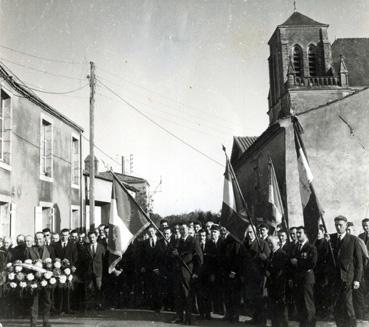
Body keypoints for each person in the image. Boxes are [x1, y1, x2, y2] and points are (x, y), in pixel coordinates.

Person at [329, 215, 363, 327]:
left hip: (348, 279)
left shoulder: (353, 240)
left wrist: (357, 279)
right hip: (335, 280)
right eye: (336, 225)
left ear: (346, 225)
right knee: (337, 307)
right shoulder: (331, 239)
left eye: (341, 225)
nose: (338, 227)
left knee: (348, 307)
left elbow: (359, 263)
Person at [172, 223, 203, 325]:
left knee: (187, 296)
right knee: (178, 296)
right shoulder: (177, 242)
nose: (182, 231)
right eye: (180, 229)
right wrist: (174, 254)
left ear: (188, 229)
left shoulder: (193, 240)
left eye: (184, 229)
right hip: (178, 273)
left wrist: (196, 273)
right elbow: (173, 257)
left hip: (188, 273)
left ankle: (188, 318)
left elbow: (199, 258)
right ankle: (179, 317)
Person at [26, 232, 55, 327]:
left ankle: (46, 321)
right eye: (37, 239)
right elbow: (26, 264)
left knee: (47, 301)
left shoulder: (50, 249)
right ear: (35, 239)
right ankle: (33, 322)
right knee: (34, 302)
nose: (39, 240)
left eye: (41, 238)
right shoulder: (30, 250)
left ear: (44, 239)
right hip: (34, 280)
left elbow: (54, 263)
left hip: (46, 279)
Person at [243, 225, 270, 326]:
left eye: (251, 232)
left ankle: (261, 321)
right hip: (249, 276)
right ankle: (254, 318)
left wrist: (264, 259)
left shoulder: (262, 244)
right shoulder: (244, 244)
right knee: (252, 299)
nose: (249, 235)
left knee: (261, 299)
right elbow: (242, 260)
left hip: (260, 276)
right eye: (248, 232)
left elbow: (268, 259)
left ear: (255, 233)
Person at [290, 226, 317, 327]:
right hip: (298, 279)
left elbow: (312, 263)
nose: (297, 235)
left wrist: (298, 262)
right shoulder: (296, 247)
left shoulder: (311, 247)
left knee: (308, 304)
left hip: (306, 279)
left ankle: (310, 324)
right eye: (296, 233)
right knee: (300, 304)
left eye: (299, 233)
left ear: (305, 234)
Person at [346, 221, 368, 321]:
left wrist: (361, 272)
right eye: (347, 230)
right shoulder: (347, 241)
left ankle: (361, 316)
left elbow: (366, 257)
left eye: (350, 230)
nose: (348, 232)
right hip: (351, 272)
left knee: (359, 295)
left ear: (354, 230)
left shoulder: (358, 240)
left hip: (360, 272)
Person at [53, 228, 78, 314]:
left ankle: (67, 308)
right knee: (59, 288)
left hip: (68, 269)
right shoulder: (55, 245)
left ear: (69, 235)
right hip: (58, 270)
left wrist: (72, 266)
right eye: (63, 235)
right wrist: (57, 261)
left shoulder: (72, 245)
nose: (64, 237)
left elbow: (75, 257)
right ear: (60, 235)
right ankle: (59, 309)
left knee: (67, 289)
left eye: (66, 235)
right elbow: (54, 256)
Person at [266, 236, 289, 327]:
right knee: (273, 309)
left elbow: (280, 271)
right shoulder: (272, 254)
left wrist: (270, 273)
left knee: (281, 309)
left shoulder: (282, 254)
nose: (270, 245)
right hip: (272, 285)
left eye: (271, 243)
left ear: (277, 243)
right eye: (269, 243)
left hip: (279, 286)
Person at [140, 225, 161, 312]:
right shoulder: (145, 242)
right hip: (149, 268)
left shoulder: (160, 241)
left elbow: (162, 256)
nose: (151, 233)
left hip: (158, 269)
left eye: (152, 231)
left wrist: (158, 268)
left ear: (155, 231)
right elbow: (143, 256)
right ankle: (152, 305)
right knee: (150, 287)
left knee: (158, 287)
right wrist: (143, 266)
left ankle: (158, 306)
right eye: (149, 232)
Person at [85, 230, 106, 310]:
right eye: (90, 238)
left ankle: (99, 304)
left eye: (93, 237)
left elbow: (104, 259)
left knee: (99, 288)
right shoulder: (86, 247)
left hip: (98, 271)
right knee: (90, 288)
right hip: (89, 271)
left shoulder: (101, 247)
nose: (92, 239)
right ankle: (90, 305)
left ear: (96, 237)